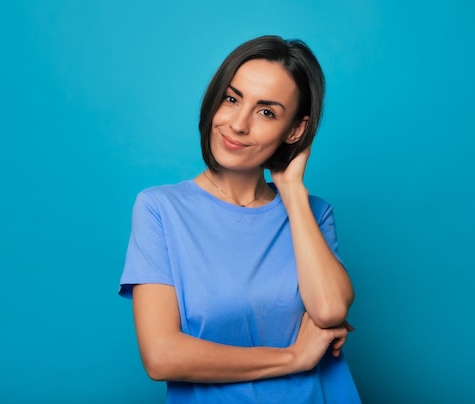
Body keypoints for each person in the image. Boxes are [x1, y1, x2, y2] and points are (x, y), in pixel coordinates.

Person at [119, 35, 361, 403]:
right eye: (232, 99)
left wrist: (292, 190)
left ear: (295, 130)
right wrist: (294, 357)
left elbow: (328, 310)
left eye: (267, 112)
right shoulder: (159, 209)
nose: (238, 124)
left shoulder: (313, 213)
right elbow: (161, 356)